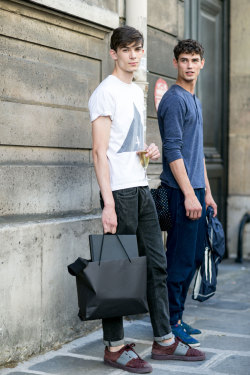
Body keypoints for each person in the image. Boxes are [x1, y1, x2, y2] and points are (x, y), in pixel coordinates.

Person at [88, 27, 205, 374]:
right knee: (115, 268)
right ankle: (114, 346)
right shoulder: (104, 93)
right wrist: (108, 204)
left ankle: (164, 339)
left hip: (141, 187)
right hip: (119, 194)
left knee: (157, 265)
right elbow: (98, 152)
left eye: (138, 49)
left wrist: (147, 153)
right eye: (126, 50)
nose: (134, 55)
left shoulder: (136, 92)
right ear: (114, 54)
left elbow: (127, 149)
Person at [157, 39, 217, 347]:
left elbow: (198, 153)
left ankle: (177, 316)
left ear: (202, 63)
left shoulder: (195, 100)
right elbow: (172, 150)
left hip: (194, 190)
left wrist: (206, 191)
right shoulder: (174, 100)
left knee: (192, 257)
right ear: (175, 63)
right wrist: (189, 195)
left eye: (194, 59)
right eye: (184, 60)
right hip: (180, 192)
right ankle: (169, 324)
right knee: (178, 259)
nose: (190, 65)